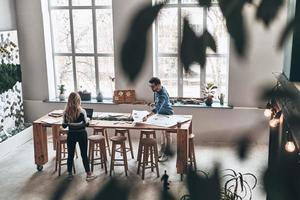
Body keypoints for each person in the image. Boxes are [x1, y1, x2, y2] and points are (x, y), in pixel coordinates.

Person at [62, 92, 96, 181]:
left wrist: (71, 122)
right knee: (84, 154)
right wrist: (87, 120)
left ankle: (69, 173)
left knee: (70, 155)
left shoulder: (66, 112)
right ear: (78, 101)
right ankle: (88, 174)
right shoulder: (82, 111)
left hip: (71, 135)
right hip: (81, 134)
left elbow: (64, 125)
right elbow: (86, 124)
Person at [143, 77, 173, 162]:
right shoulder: (157, 91)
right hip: (161, 114)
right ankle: (162, 150)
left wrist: (147, 116)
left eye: (153, 86)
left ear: (158, 85)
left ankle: (167, 153)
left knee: (167, 135)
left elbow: (157, 108)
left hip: (167, 114)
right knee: (162, 134)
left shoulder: (163, 94)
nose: (152, 88)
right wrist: (154, 103)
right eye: (151, 86)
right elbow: (158, 103)